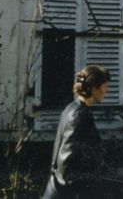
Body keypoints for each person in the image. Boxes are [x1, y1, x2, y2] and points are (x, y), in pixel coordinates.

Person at [41, 64, 111, 199]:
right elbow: (67, 158)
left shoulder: (73, 108)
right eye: (104, 86)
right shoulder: (79, 114)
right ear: (93, 88)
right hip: (69, 191)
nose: (107, 90)